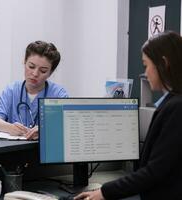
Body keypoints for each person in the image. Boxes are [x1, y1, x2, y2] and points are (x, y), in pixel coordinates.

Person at [74, 31, 182, 200]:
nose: (145, 73)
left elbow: (155, 171)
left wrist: (104, 192)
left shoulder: (176, 107)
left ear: (163, 63)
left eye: (146, 65)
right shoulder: (172, 104)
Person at [0, 41, 68, 140]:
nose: (35, 73)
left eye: (43, 71)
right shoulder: (12, 90)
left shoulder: (58, 94)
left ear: (50, 72)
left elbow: (65, 125)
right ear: (24, 62)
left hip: (44, 152)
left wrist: (45, 129)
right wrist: (9, 128)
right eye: (31, 66)